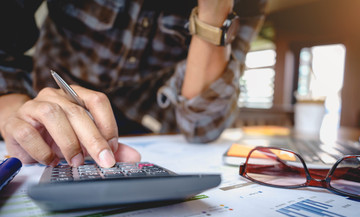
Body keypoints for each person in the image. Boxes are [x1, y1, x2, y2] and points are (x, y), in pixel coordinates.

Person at [0, 0, 267, 168]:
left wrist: (214, 12)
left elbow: (201, 128)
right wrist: (15, 113)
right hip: (45, 116)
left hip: (151, 134)